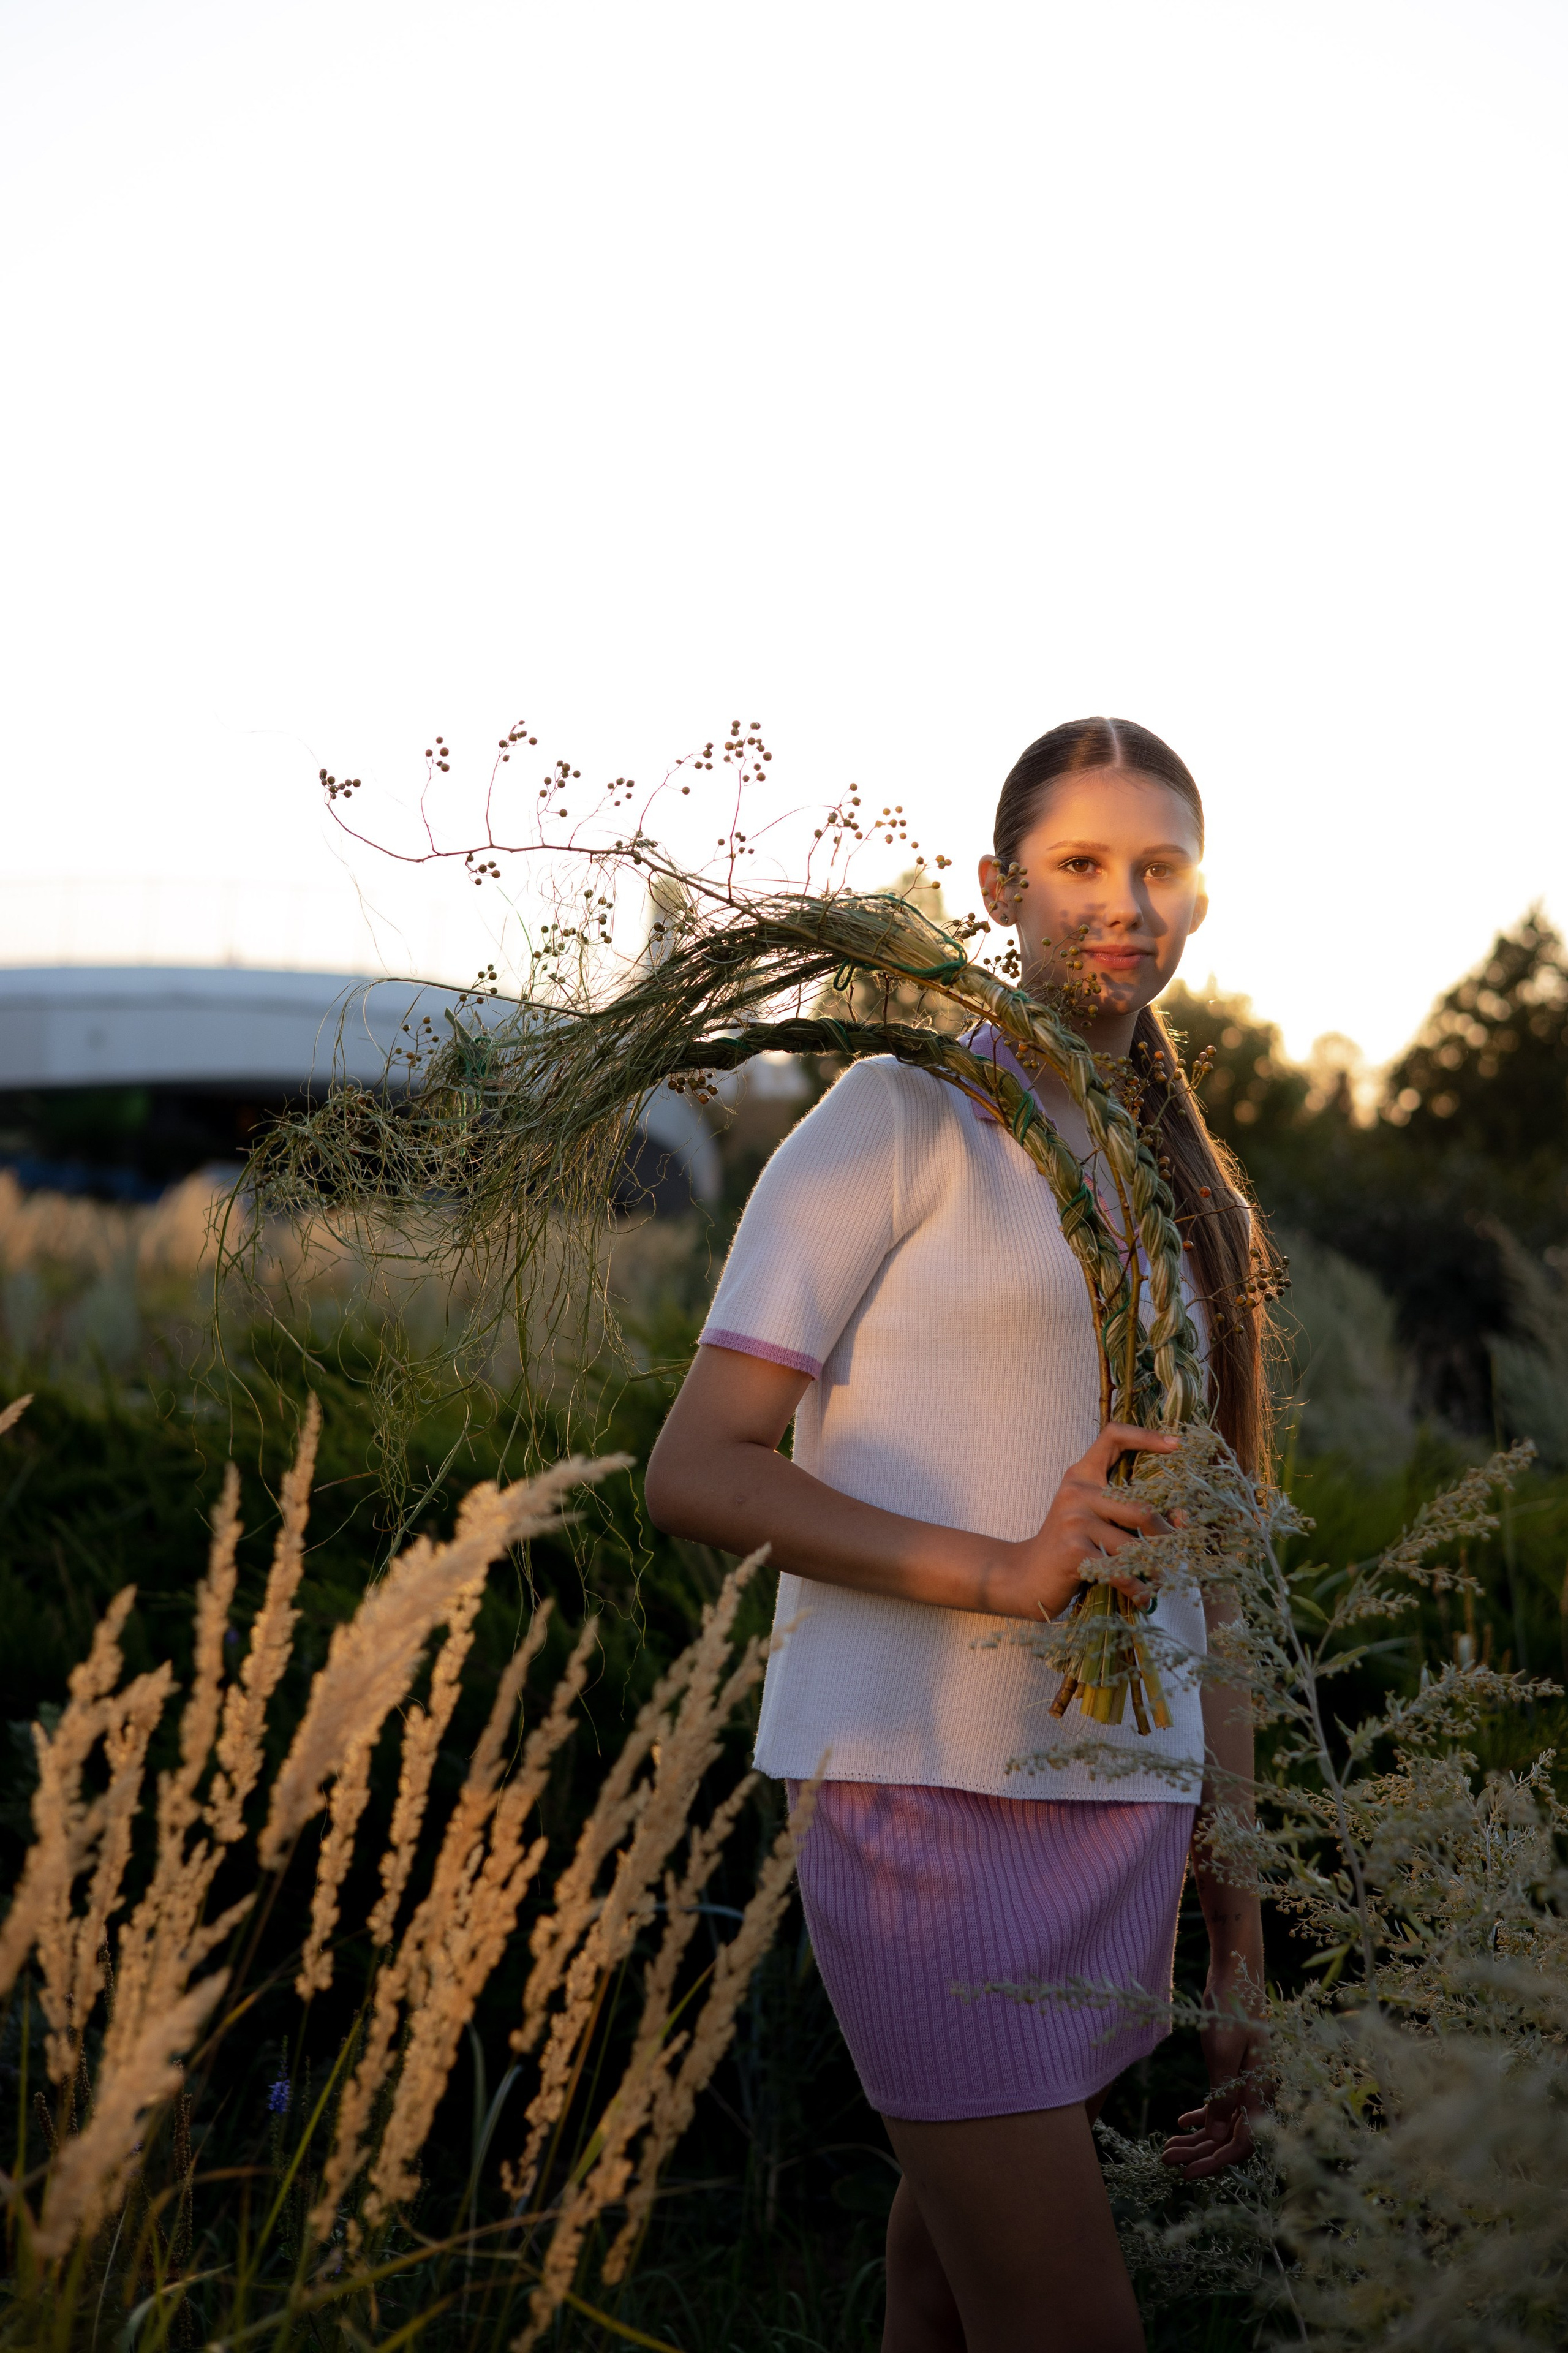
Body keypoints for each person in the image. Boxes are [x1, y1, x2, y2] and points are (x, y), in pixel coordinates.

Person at [645, 717, 1269, 2353]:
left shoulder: (1176, 1184)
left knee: (938, 2297)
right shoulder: (893, 1120)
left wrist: (1240, 1910)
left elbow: (1206, 1568)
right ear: (999, 886)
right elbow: (699, 1466)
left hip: (1115, 1807)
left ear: (1199, 899)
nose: (1123, 900)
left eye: (1159, 867)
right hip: (920, 1797)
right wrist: (1005, 1569)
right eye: (1079, 863)